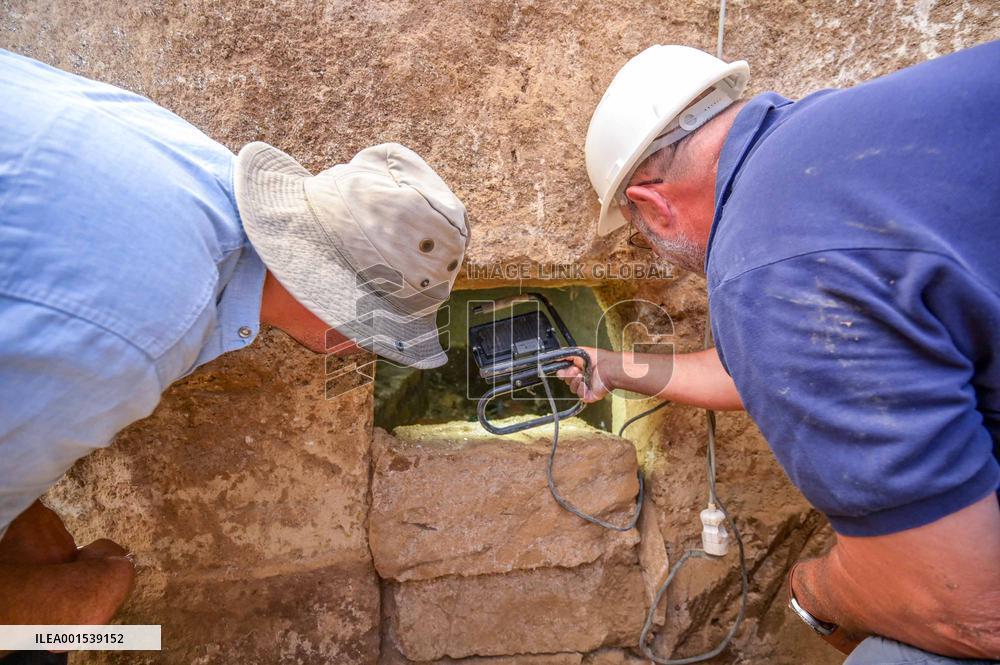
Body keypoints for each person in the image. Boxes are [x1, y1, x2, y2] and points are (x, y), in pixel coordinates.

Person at [561, 42, 1000, 663]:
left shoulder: (765, 259)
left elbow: (969, 613)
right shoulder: (843, 140)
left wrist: (814, 594)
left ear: (652, 206)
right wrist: (614, 365)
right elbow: (763, 369)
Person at [0, 49, 469, 628]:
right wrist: (103, 582)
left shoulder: (182, 156)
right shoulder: (146, 338)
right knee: (89, 600)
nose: (367, 349)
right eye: (377, 327)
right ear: (332, 293)